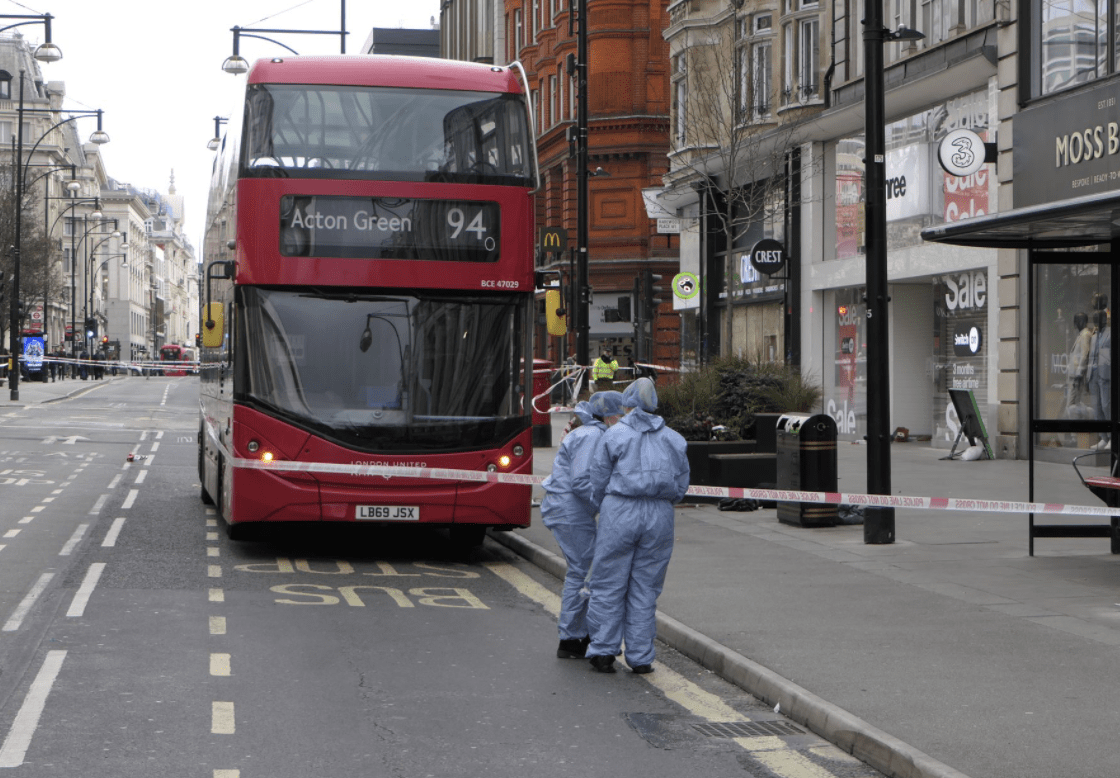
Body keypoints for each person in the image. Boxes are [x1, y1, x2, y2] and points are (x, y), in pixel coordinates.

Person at [585, 377, 690, 674]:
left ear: (627, 404)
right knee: (645, 587)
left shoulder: (615, 434)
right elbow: (681, 482)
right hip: (659, 513)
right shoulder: (673, 438)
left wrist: (601, 505)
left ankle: (603, 652)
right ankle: (641, 657)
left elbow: (598, 478)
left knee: (608, 583)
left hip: (620, 508)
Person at [540, 391, 625, 659]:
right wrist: (608, 507)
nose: (621, 419)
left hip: (568, 510)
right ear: (609, 415)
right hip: (569, 511)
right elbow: (582, 482)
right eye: (620, 413)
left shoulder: (591, 433)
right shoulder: (592, 436)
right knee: (583, 571)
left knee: (582, 571)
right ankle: (572, 638)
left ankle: (574, 636)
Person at [1088, 309, 1111, 449]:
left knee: (1106, 405)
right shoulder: (1094, 335)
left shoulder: (1110, 333)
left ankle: (1112, 437)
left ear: (1104, 319)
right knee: (1096, 408)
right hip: (1093, 375)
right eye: (1094, 319)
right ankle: (1103, 437)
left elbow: (1109, 355)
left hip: (1106, 375)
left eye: (1098, 319)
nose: (1096, 321)